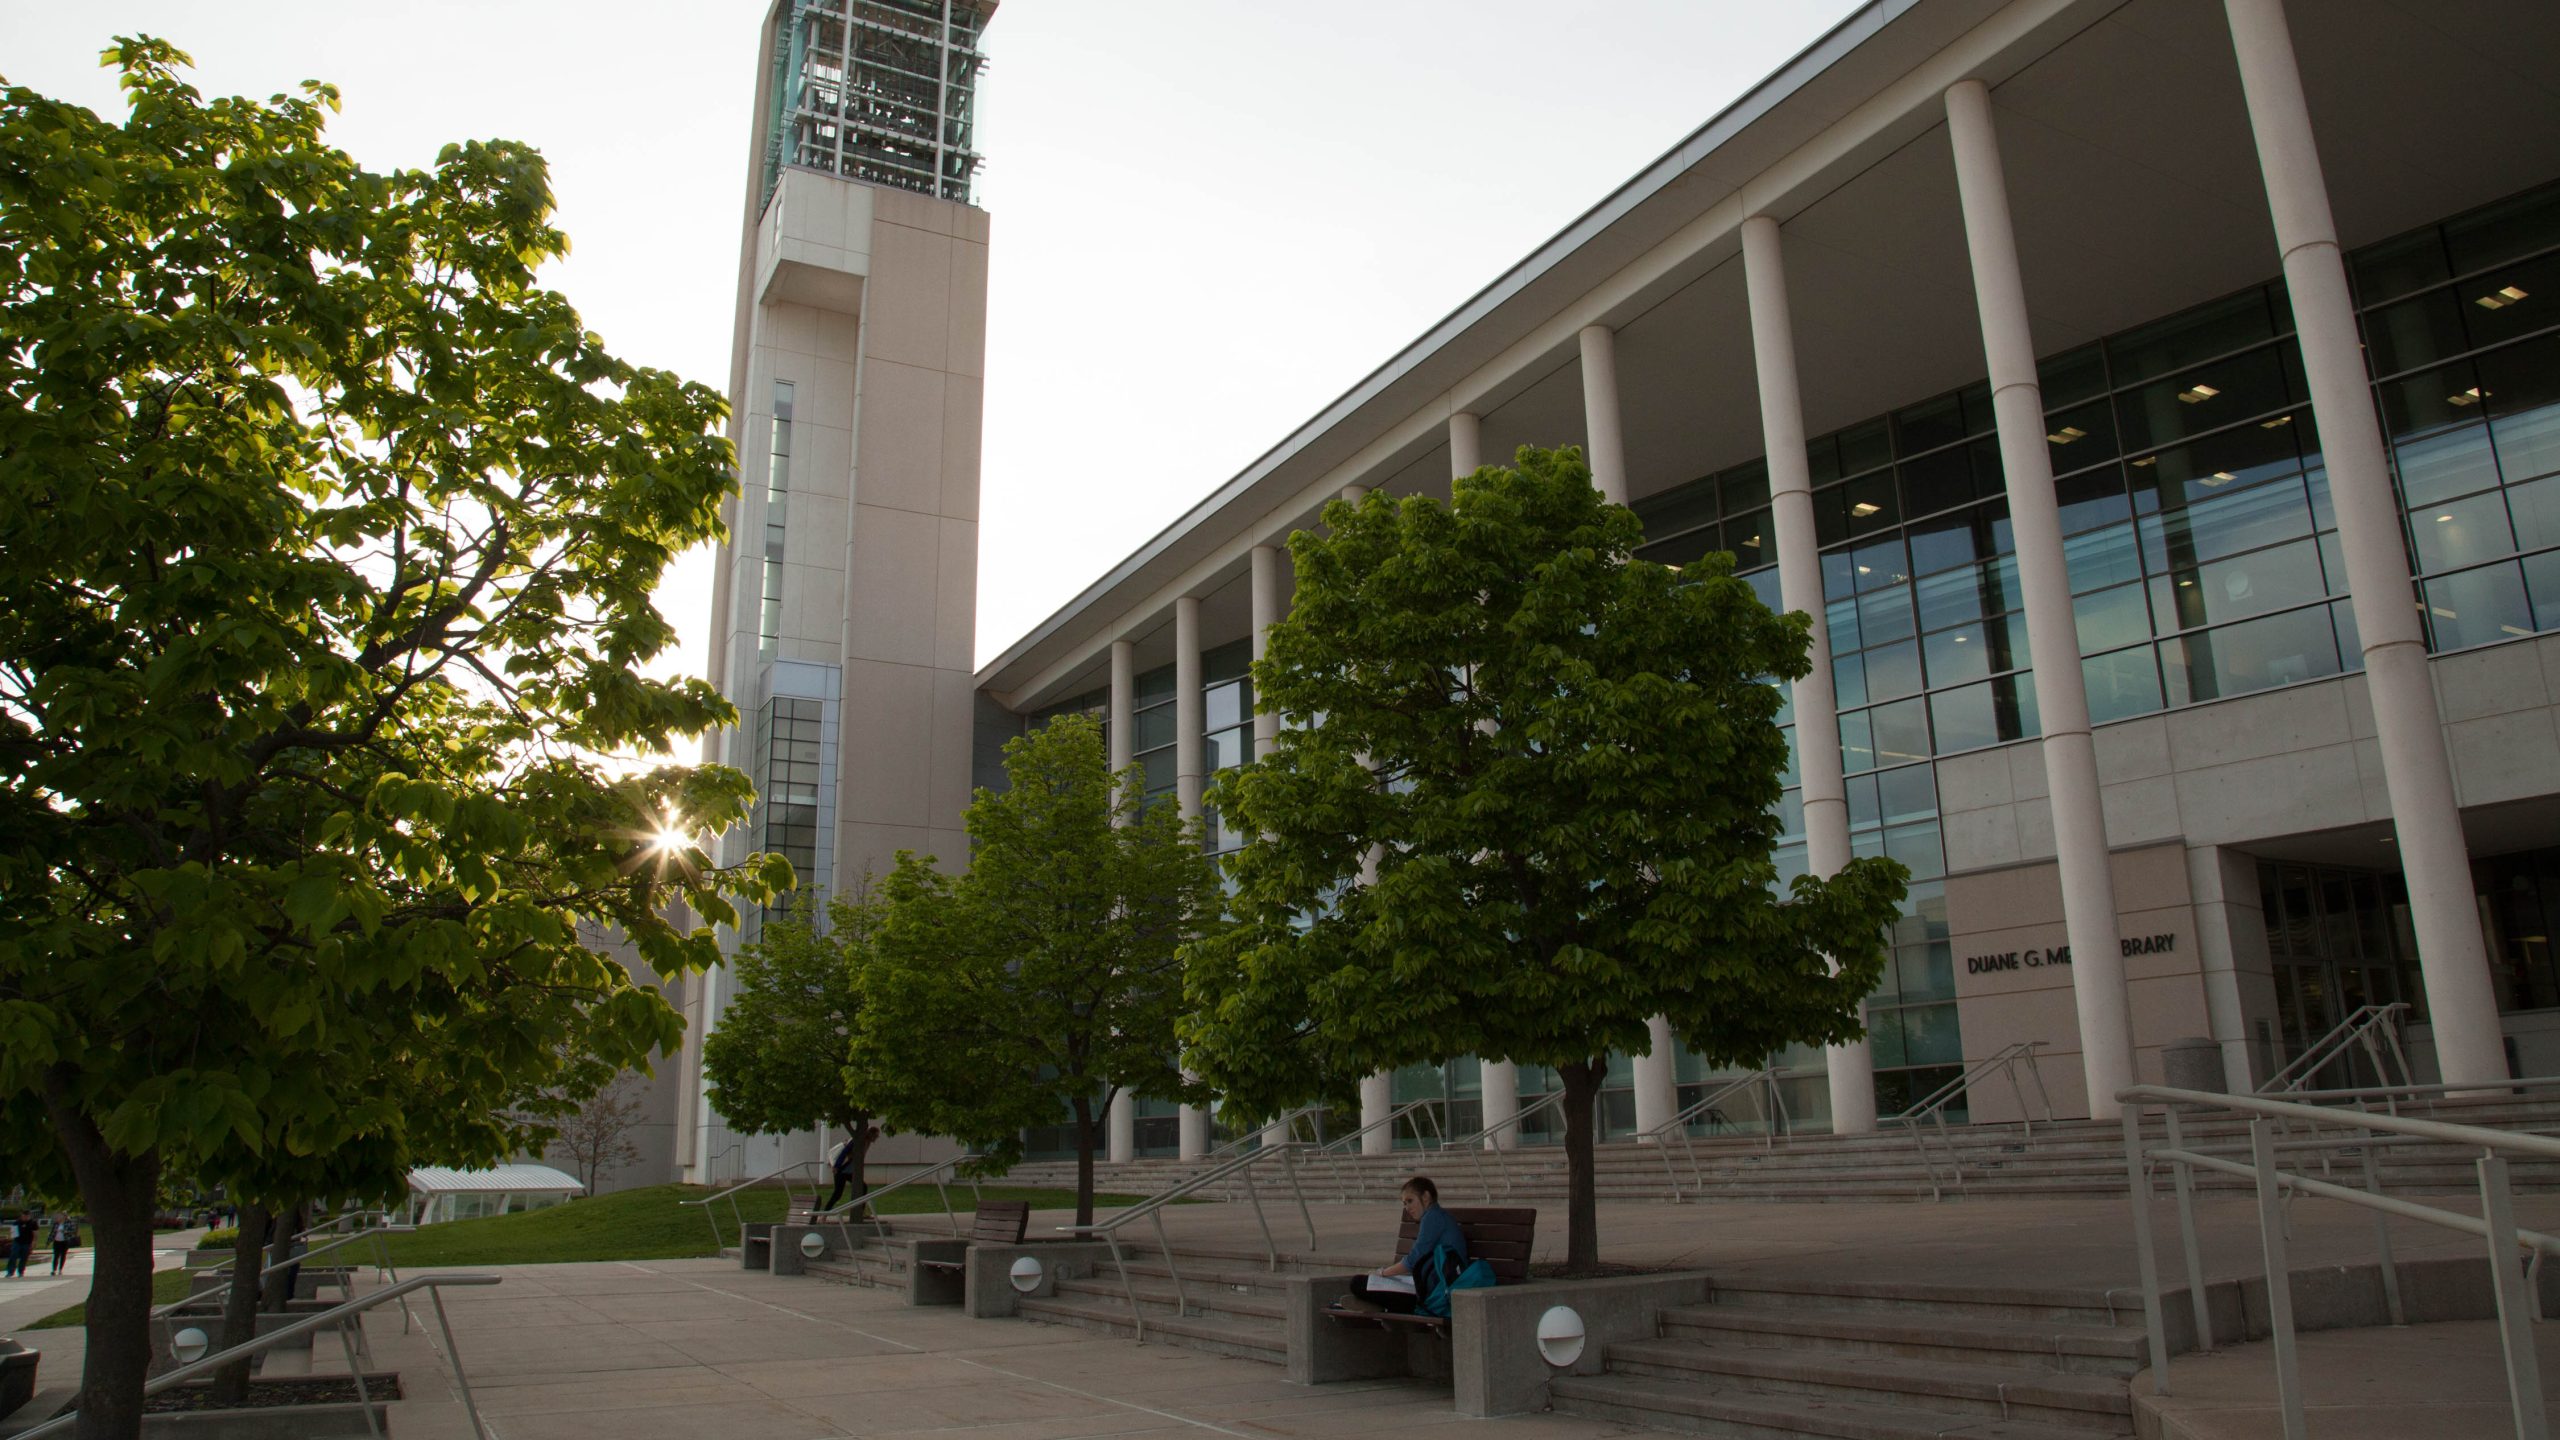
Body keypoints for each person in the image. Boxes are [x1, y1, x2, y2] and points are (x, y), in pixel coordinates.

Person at [1341, 1175, 1467, 1315]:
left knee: (1358, 1282)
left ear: (1426, 1197)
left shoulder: (1433, 1217)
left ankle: (1381, 1306)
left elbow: (1413, 1261)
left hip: (1435, 1292)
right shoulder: (1438, 1215)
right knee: (1373, 1282)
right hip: (1431, 1285)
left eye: (1410, 1201)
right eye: (1404, 1203)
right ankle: (1382, 1306)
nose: (1407, 1207)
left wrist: (1381, 1273)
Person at [819, 1123, 879, 1216]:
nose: (876, 1138)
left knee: (863, 1187)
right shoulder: (857, 1140)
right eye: (875, 1136)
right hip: (841, 1171)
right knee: (837, 1194)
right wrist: (837, 1166)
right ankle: (824, 1214)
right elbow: (844, 1152)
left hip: (850, 1171)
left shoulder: (866, 1142)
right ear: (870, 1134)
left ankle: (860, 1212)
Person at [5, 1211, 36, 1279]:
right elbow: (13, 1232)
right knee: (13, 1255)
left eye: (27, 1216)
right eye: (24, 1216)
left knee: (24, 1257)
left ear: (29, 1216)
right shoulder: (17, 1222)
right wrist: (12, 1236)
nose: (25, 1218)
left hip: (27, 1242)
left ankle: (21, 1272)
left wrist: (34, 1242)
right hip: (17, 1242)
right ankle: (10, 1272)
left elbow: (35, 1233)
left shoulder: (33, 1223)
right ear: (22, 1216)